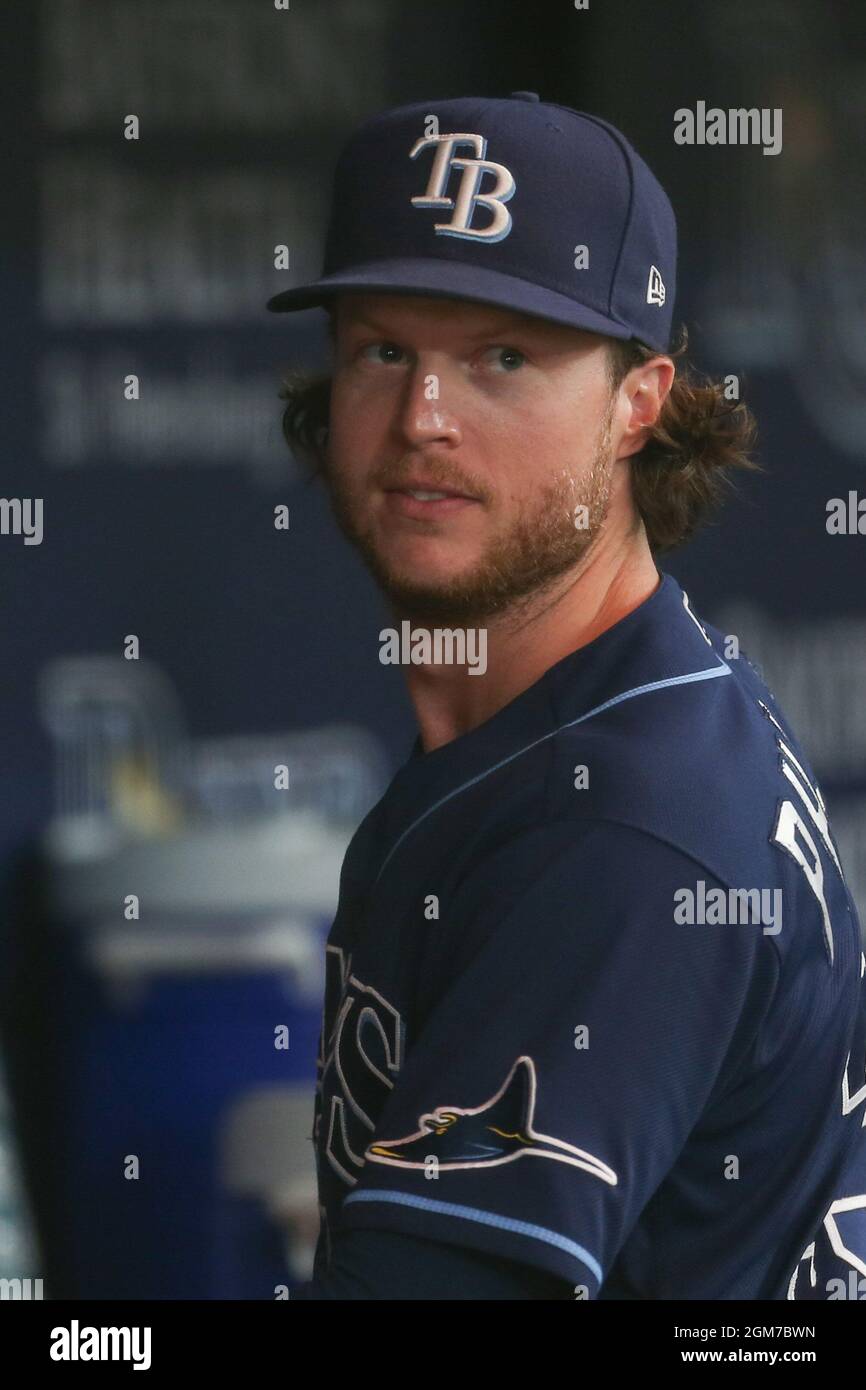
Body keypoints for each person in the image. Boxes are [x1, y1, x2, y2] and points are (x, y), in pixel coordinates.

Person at [267, 93, 866, 1299]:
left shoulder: (615, 831)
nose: (423, 419)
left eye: (502, 357)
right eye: (385, 350)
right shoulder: (607, 701)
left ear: (637, 403)